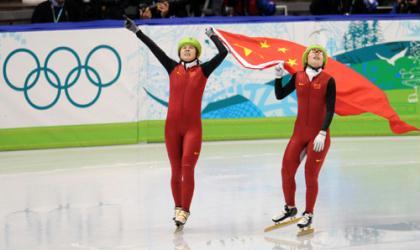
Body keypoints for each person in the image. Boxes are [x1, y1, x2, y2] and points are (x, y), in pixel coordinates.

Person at [124, 16, 228, 227]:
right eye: (184, 48)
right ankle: (178, 208)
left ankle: (185, 211)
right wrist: (137, 32)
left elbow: (223, 53)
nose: (187, 50)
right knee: (175, 170)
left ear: (197, 52)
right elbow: (155, 50)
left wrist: (213, 36)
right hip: (171, 128)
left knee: (187, 168)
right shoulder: (172, 68)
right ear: (179, 52)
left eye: (191, 48)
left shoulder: (204, 70)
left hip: (192, 129)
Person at [271, 45, 336, 233]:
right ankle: (290, 208)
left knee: (310, 175)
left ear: (323, 61)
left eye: (320, 54)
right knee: (286, 170)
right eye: (313, 53)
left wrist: (323, 132)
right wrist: (277, 77)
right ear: (306, 58)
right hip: (299, 134)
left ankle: (308, 214)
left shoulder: (328, 80)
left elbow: (331, 108)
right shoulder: (297, 76)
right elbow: (279, 95)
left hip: (318, 136)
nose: (316, 55)